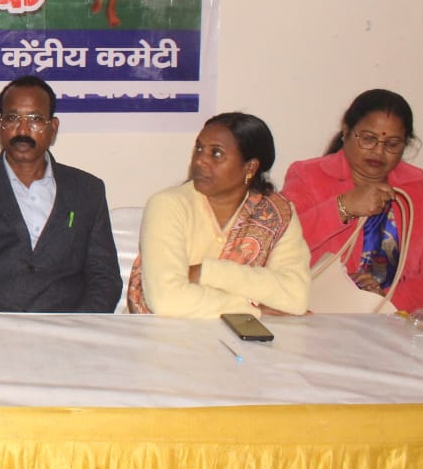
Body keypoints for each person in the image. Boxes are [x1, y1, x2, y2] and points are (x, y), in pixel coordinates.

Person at [0, 76, 122, 312]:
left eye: (35, 119)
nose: (22, 130)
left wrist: (76, 327)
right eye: (12, 119)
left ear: (53, 128)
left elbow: (105, 279)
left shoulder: (87, 190)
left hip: (67, 328)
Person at [126, 112, 310, 318]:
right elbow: (167, 301)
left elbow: (295, 297)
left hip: (244, 335)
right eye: (199, 149)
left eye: (216, 153)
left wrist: (206, 272)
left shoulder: (276, 214)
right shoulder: (168, 205)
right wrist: (250, 308)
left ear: (250, 167)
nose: (200, 161)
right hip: (163, 334)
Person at [282, 88, 423, 312]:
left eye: (392, 144)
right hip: (316, 315)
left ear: (405, 144)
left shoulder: (422, 190)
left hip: (393, 319)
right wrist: (343, 207)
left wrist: (384, 302)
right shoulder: (307, 176)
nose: (378, 151)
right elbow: (278, 243)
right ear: (346, 131)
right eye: (368, 139)